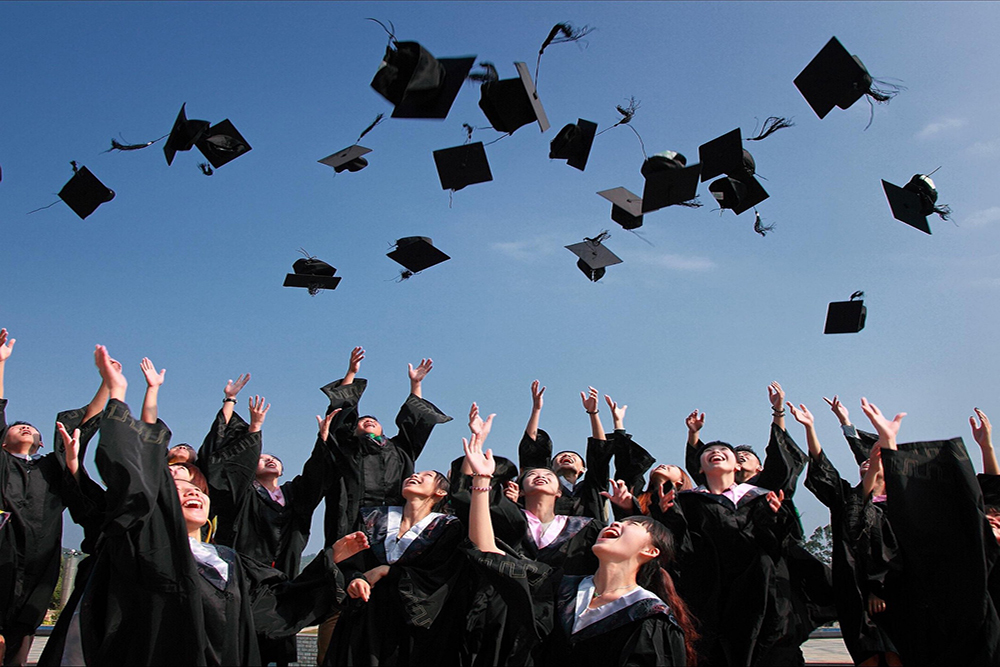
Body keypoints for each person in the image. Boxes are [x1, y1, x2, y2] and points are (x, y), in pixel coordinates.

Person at [66, 344, 368, 666]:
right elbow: (136, 477)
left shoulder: (227, 564)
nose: (193, 492)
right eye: (176, 487)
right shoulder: (146, 546)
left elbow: (273, 607)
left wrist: (330, 561)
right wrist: (121, 395)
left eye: (196, 489)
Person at [463, 410, 696, 666]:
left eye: (633, 523)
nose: (617, 524)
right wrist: (482, 480)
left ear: (652, 551)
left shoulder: (650, 616)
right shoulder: (560, 588)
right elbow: (488, 549)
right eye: (620, 520)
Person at [196, 375, 335, 666]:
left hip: (281, 574)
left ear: (283, 471)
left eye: (275, 459)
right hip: (244, 574)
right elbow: (226, 468)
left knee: (274, 646)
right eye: (262, 457)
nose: (270, 460)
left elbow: (315, 478)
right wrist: (250, 424)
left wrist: (322, 439)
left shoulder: (294, 495)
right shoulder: (243, 494)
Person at [861, 398, 1000, 666]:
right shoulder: (964, 565)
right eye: (989, 518)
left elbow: (992, 492)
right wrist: (888, 444)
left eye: (996, 518)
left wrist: (986, 446)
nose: (992, 519)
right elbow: (916, 520)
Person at [0, 330, 110, 667]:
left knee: (22, 637)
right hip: (3, 555)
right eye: (16, 426)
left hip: (40, 562)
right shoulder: (2, 463)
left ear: (41, 444)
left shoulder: (51, 468)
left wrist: (108, 381)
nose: (26, 428)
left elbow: (85, 425)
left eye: (31, 429)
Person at [652, 436, 793, 665]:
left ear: (736, 465)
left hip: (757, 590)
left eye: (723, 449)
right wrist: (670, 518)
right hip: (707, 594)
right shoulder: (687, 501)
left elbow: (775, 547)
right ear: (699, 467)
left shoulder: (757, 496)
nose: (716, 451)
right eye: (709, 451)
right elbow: (681, 551)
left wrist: (773, 518)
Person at [797, 400, 902, 667]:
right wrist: (810, 427)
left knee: (895, 652)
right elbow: (823, 469)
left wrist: (879, 589)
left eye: (872, 460)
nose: (865, 463)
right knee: (865, 652)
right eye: (863, 462)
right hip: (853, 590)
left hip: (895, 591)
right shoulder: (848, 499)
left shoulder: (902, 504)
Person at [327, 468, 466, 666]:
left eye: (427, 476)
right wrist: (355, 578)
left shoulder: (448, 528)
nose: (414, 476)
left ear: (441, 492)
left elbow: (440, 576)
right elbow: (350, 561)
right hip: (367, 616)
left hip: (413, 622)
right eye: (413, 474)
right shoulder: (373, 518)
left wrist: (389, 571)